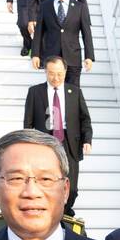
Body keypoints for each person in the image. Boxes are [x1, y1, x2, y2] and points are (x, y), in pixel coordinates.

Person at [23, 56, 91, 216]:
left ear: (66, 72)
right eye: (52, 74)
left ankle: (66, 213)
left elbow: (85, 119)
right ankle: (52, 214)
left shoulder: (74, 92)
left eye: (60, 74)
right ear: (46, 72)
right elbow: (28, 123)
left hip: (69, 143)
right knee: (48, 181)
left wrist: (87, 140)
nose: (56, 78)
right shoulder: (35, 92)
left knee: (72, 188)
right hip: (45, 143)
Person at [32, 0, 94, 88]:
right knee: (54, 91)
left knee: (72, 92)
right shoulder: (45, 7)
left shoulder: (80, 8)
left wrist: (89, 56)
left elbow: (87, 34)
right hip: (52, 57)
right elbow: (38, 33)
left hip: (73, 58)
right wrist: (35, 54)